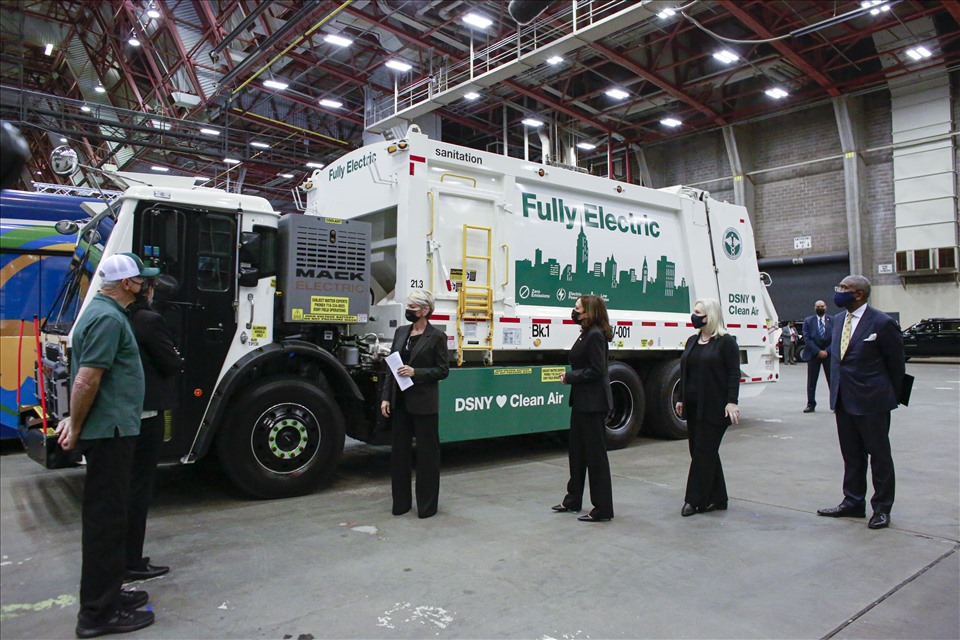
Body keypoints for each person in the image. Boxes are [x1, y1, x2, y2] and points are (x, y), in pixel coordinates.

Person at [54, 253, 159, 638]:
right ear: (129, 284)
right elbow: (86, 380)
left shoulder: (101, 313)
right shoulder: (108, 318)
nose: (147, 285)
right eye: (142, 280)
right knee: (106, 524)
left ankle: (111, 594)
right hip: (109, 432)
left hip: (113, 428)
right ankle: (98, 614)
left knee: (112, 520)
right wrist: (76, 423)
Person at [818, 275, 904, 530]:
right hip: (844, 400)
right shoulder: (838, 321)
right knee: (852, 455)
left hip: (872, 402)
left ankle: (882, 508)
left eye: (843, 288)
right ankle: (853, 501)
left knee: (879, 457)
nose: (838, 292)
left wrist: (889, 397)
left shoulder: (882, 322)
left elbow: (896, 365)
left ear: (859, 294)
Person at [125, 270, 182, 582]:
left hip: (128, 413)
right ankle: (132, 560)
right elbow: (171, 361)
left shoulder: (120, 317)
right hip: (147, 414)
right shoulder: (149, 320)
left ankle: (128, 558)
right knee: (139, 489)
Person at [380, 290, 449, 518]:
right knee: (399, 455)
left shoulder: (437, 336)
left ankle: (427, 507)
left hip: (424, 404)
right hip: (400, 402)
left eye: (412, 307)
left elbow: (442, 370)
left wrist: (415, 372)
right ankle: (400, 504)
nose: (408, 310)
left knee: (427, 456)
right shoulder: (401, 332)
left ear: (425, 310)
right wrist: (386, 397)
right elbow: (391, 366)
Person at [553, 294, 614, 523]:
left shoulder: (596, 336)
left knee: (595, 456)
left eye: (577, 308)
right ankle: (573, 499)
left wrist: (570, 377)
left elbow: (597, 370)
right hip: (581, 402)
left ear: (588, 312)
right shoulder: (586, 334)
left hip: (593, 404)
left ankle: (603, 508)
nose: (574, 311)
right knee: (576, 453)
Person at [676, 298, 740, 517]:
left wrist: (732, 401)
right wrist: (681, 398)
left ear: (710, 316)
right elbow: (686, 372)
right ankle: (719, 497)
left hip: (715, 408)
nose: (694, 316)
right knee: (702, 451)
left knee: (703, 452)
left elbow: (733, 373)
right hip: (694, 407)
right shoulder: (692, 340)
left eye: (698, 312)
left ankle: (694, 500)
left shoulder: (725, 342)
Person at [801, 300, 833, 412]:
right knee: (811, 381)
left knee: (832, 380)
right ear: (814, 308)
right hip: (813, 354)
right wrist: (818, 351)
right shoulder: (808, 321)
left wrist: (827, 351)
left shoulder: (832, 320)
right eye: (818, 306)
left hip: (828, 355)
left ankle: (834, 404)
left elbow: (836, 338)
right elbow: (807, 338)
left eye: (822, 306)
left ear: (826, 307)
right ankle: (811, 404)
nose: (820, 308)